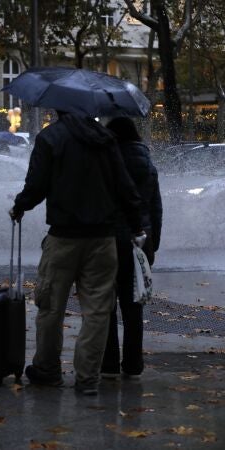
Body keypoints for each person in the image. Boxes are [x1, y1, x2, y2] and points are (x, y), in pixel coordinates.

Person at [9, 110, 145, 396]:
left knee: (50, 307)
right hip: (103, 240)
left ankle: (47, 371)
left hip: (64, 239)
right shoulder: (107, 139)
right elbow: (124, 186)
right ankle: (87, 379)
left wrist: (20, 206)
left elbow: (36, 186)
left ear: (59, 108)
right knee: (97, 312)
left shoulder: (50, 138)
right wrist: (137, 226)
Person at [101, 117, 163, 380]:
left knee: (106, 303)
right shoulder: (147, 164)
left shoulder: (106, 162)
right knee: (134, 303)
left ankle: (110, 363)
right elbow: (155, 208)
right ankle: (134, 363)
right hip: (139, 241)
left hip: (109, 240)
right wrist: (153, 243)